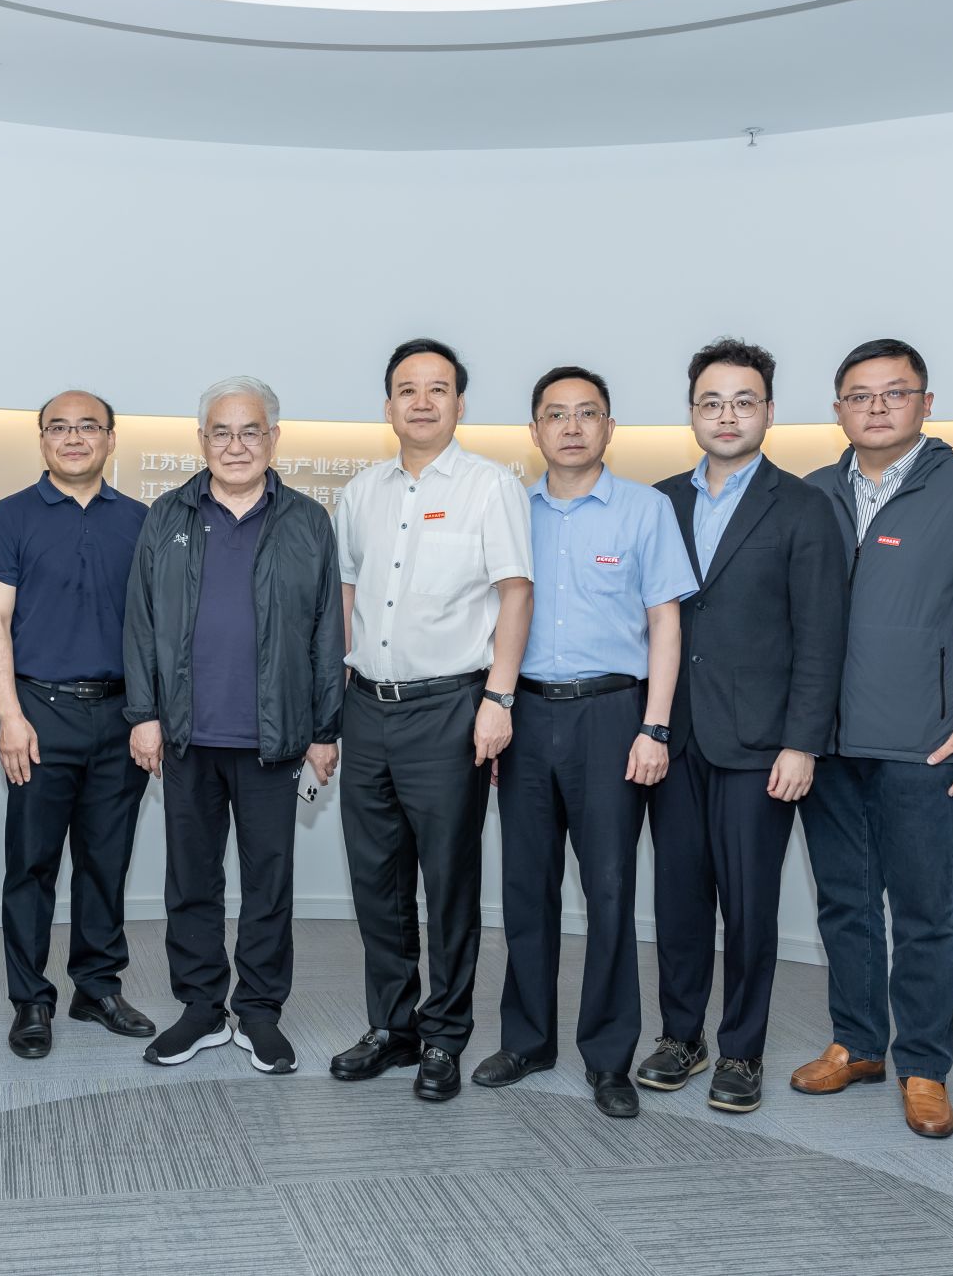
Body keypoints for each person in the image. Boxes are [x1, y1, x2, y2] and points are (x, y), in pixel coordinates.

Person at [793, 338, 953, 1139]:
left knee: (925, 910)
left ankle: (924, 1066)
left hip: (926, 741)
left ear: (926, 402)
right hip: (827, 742)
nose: (878, 407)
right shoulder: (813, 492)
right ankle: (857, 1043)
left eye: (895, 392)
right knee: (843, 902)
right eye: (860, 395)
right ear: (839, 410)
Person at [469, 365, 697, 1119]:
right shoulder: (508, 508)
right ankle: (528, 1040)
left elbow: (666, 623)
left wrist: (654, 725)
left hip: (612, 715)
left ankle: (608, 1057)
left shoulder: (645, 509)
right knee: (525, 886)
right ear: (534, 430)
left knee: (609, 889)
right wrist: (494, 710)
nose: (571, 426)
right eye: (556, 414)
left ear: (609, 427)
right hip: (525, 714)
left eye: (587, 412)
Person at [643, 340, 845, 1113]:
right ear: (692, 412)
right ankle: (681, 1035)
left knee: (750, 904)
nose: (726, 415)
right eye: (712, 402)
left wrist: (803, 742)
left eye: (743, 401)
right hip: (674, 735)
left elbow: (820, 636)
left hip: (762, 744)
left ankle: (741, 1048)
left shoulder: (802, 506)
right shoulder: (659, 501)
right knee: (678, 898)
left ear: (768, 411)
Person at [328, 338, 532, 1103]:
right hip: (366, 706)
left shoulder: (490, 486)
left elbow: (516, 593)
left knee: (447, 882)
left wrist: (498, 699)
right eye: (407, 389)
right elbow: (348, 592)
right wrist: (335, 696)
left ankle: (444, 1033)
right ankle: (392, 1026)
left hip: (450, 708)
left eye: (437, 388)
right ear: (388, 405)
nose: (421, 401)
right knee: (376, 880)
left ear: (459, 403)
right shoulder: (362, 491)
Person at [123, 376, 346, 1073]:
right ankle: (199, 1007)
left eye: (251, 431)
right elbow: (140, 623)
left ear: (274, 438)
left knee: (267, 882)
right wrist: (144, 714)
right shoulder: (166, 516)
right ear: (202, 441)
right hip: (186, 736)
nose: (236, 444)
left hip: (274, 740)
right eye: (221, 431)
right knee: (191, 880)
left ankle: (258, 1011)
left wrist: (325, 729)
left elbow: (327, 633)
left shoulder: (307, 521)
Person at [0, 391, 156, 1058]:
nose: (74, 437)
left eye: (88, 426)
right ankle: (30, 998)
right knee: (31, 864)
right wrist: (10, 716)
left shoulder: (141, 520)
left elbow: (157, 627)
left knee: (106, 860)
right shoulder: (9, 516)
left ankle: (97, 986)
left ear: (111, 438)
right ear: (42, 439)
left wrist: (150, 713)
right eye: (59, 427)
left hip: (121, 713)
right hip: (39, 712)